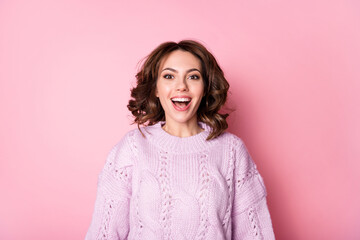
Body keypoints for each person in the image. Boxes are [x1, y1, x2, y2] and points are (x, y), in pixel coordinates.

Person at [85, 40, 275, 239]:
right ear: (156, 89)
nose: (181, 86)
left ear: (205, 88)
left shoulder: (232, 151)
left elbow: (256, 235)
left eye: (193, 77)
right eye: (169, 76)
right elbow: (104, 234)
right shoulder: (132, 147)